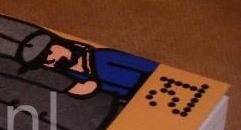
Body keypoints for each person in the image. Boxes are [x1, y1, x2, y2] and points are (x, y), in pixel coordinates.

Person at [23, 33, 159, 99]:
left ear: (63, 44)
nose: (49, 59)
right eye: (42, 61)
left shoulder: (104, 56)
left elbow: (154, 70)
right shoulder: (77, 81)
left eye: (49, 52)